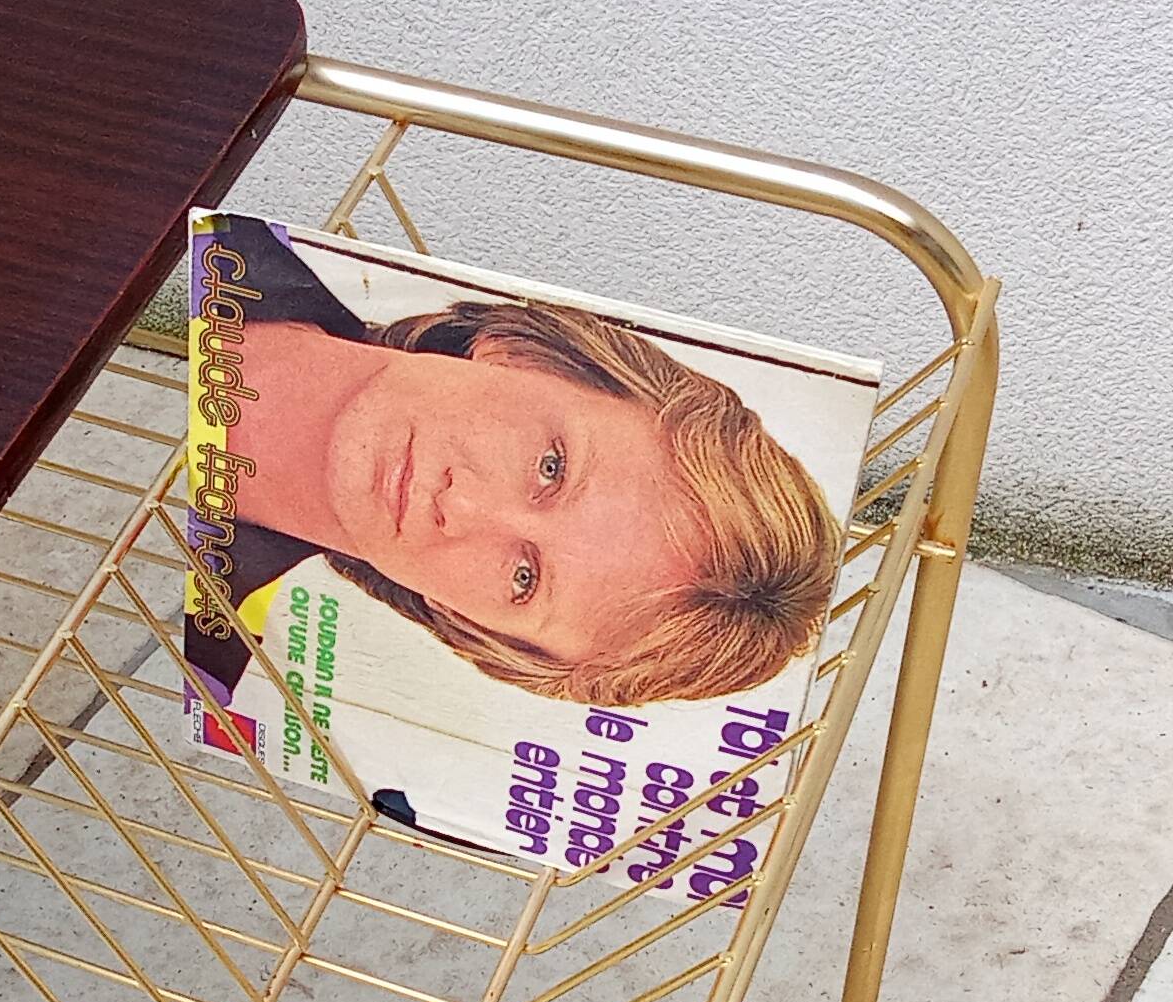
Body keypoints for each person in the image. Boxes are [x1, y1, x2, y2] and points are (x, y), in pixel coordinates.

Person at [184, 215, 838, 708]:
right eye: (551, 467)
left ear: (476, 628)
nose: (461, 505)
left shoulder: (212, 664)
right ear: (525, 355)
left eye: (524, 578)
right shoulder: (218, 225)